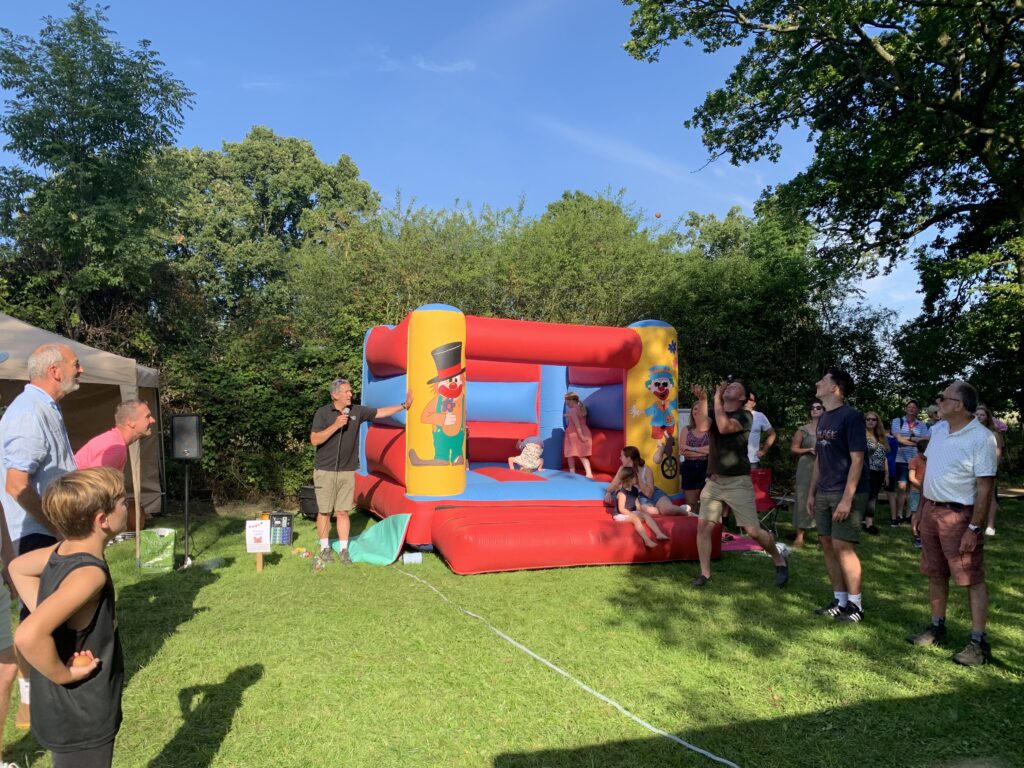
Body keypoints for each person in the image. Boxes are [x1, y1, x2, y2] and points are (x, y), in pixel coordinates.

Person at [9, 467, 127, 768]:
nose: (127, 507)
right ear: (102, 520)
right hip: (81, 714)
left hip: (60, 710)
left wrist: (49, 613)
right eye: (122, 502)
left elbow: (17, 568)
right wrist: (65, 673)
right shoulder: (89, 574)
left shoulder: (61, 551)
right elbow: (27, 635)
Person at [0, 343, 83, 730]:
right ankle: (38, 702)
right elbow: (16, 485)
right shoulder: (29, 412)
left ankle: (45, 700)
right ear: (54, 371)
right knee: (40, 620)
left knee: (49, 617)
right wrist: (53, 525)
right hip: (35, 533)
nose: (79, 369)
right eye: (74, 364)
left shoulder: (45, 407)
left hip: (46, 530)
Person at [906, 381, 998, 666]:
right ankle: (936, 627)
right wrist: (921, 511)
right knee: (935, 572)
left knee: (972, 578)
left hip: (960, 516)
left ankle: (978, 643)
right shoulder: (938, 430)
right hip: (932, 511)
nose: (938, 402)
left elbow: (985, 488)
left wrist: (974, 527)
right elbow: (930, 472)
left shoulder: (982, 438)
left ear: (959, 405)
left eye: (943, 398)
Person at [690, 381, 789, 588]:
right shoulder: (715, 409)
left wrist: (715, 399)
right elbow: (701, 426)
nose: (729, 387)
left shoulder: (746, 416)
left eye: (735, 387)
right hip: (714, 482)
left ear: (743, 398)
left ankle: (778, 558)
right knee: (703, 527)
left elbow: (725, 427)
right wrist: (703, 399)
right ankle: (705, 573)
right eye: (729, 385)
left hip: (738, 482)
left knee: (753, 531)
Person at [310, 378, 411, 566]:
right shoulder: (323, 413)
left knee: (342, 511)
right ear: (335, 395)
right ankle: (325, 549)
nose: (351, 394)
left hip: (347, 471)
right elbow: (315, 440)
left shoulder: (357, 411)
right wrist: (335, 426)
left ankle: (344, 550)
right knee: (324, 511)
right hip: (325, 470)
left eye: (351, 391)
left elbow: (380, 413)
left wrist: (404, 406)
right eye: (347, 391)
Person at [807, 368, 870, 623]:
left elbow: (857, 460)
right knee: (827, 543)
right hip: (824, 491)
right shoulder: (824, 418)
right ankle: (839, 600)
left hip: (847, 491)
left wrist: (847, 498)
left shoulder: (851, 417)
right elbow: (820, 460)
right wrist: (812, 492)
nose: (817, 382)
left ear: (835, 388)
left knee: (843, 546)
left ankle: (856, 607)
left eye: (823, 380)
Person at [605, 446, 692, 516]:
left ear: (629, 458)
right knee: (647, 510)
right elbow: (613, 485)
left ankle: (688, 513)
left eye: (622, 456)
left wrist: (638, 480)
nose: (620, 458)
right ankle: (677, 509)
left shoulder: (646, 470)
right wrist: (608, 492)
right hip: (639, 497)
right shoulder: (622, 469)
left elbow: (649, 493)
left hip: (652, 492)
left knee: (667, 509)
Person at [74, 400, 155, 472]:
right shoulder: (116, 448)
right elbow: (93, 483)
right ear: (130, 422)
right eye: (147, 416)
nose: (153, 420)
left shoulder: (113, 439)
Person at [610, 467, 670, 549]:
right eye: (635, 477)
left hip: (630, 511)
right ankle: (647, 541)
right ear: (629, 479)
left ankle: (658, 533)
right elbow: (621, 509)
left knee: (646, 515)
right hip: (620, 515)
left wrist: (641, 512)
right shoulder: (622, 493)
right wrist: (634, 515)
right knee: (636, 519)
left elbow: (637, 504)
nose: (638, 478)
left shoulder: (634, 490)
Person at [891, 400, 930, 525]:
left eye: (914, 407)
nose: (912, 409)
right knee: (902, 487)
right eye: (909, 407)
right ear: (905, 408)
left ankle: (909, 515)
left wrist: (909, 439)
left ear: (918, 410)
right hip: (901, 458)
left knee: (911, 488)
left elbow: (926, 440)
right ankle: (899, 514)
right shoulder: (898, 421)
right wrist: (916, 442)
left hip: (916, 459)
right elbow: (898, 439)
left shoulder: (922, 424)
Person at [790, 400, 822, 547]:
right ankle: (799, 535)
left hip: (825, 468)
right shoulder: (803, 429)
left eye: (818, 407)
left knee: (822, 499)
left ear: (824, 410)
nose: (814, 410)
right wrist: (808, 450)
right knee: (803, 497)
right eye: (812, 407)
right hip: (806, 466)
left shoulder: (829, 429)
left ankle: (822, 534)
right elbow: (794, 449)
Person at [974, 404, 1004, 536]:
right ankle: (975, 523)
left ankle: (990, 525)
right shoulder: (970, 432)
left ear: (987, 418)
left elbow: (998, 451)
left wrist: (994, 469)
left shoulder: (994, 433)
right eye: (977, 414)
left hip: (989, 469)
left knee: (990, 496)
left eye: (982, 414)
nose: (979, 417)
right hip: (972, 469)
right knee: (975, 496)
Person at [863, 411, 889, 536]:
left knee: (873, 497)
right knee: (869, 497)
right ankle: (869, 523)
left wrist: (887, 474)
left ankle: (866, 520)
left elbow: (884, 457)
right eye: (868, 419)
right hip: (867, 470)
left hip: (880, 471)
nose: (871, 421)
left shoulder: (881, 437)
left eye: (873, 419)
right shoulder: (861, 435)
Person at [679, 411, 709, 512]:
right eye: (695, 409)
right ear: (692, 413)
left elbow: (711, 450)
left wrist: (691, 448)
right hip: (689, 467)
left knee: (708, 502)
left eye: (700, 409)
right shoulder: (687, 429)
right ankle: (693, 524)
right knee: (691, 503)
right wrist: (703, 452)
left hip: (707, 467)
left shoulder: (710, 430)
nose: (697, 411)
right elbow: (682, 451)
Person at [563, 393, 593, 479]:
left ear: (572, 400)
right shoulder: (581, 408)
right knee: (582, 455)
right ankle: (589, 473)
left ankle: (572, 473)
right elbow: (578, 417)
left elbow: (577, 425)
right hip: (585, 431)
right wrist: (568, 415)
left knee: (570, 454)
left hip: (575, 434)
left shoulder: (572, 410)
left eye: (567, 402)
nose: (566, 403)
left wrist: (581, 436)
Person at [745, 390, 776, 468]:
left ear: (754, 403)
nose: (747, 401)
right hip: (734, 461)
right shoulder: (734, 414)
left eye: (750, 399)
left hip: (752, 461)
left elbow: (772, 434)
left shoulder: (759, 416)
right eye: (746, 398)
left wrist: (764, 451)